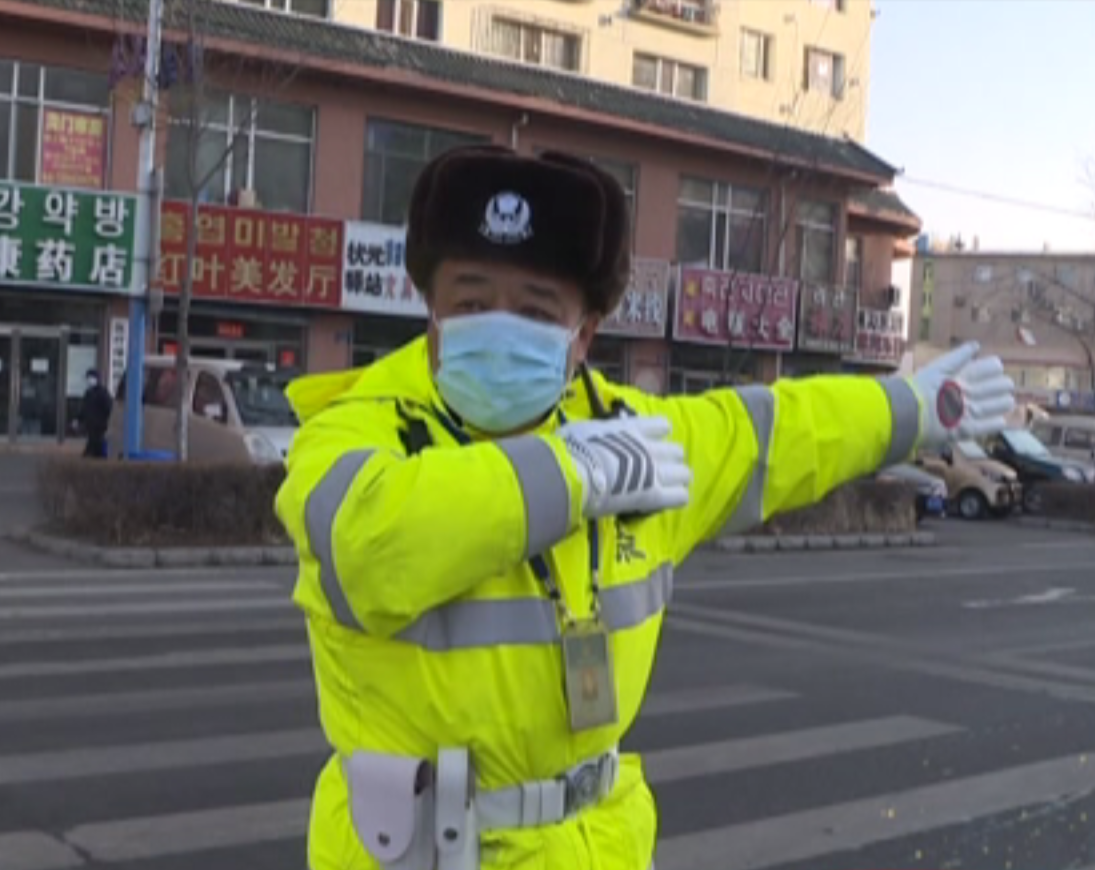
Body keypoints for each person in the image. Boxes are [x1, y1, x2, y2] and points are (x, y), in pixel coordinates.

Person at [275, 145, 1015, 870]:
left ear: (583, 333)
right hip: (415, 852)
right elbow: (367, 548)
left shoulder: (636, 442)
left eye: (535, 310)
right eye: (470, 301)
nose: (498, 326)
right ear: (429, 308)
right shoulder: (355, 427)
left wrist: (908, 407)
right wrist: (570, 474)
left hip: (597, 845)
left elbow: (775, 432)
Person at [78, 369, 113, 459]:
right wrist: (79, 419)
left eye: (90, 378)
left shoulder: (102, 392)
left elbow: (108, 407)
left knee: (96, 441)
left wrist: (105, 419)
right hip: (90, 424)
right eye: (88, 378)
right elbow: (84, 408)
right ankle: (94, 455)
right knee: (93, 441)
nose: (89, 380)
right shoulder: (88, 393)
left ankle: (94, 455)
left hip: (99, 424)